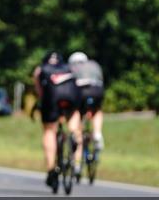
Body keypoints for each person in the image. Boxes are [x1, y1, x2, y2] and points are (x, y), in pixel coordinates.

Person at [33, 51, 82, 191]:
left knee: (49, 131)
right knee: (74, 115)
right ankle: (73, 134)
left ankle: (51, 170)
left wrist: (42, 100)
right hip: (71, 95)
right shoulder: (67, 67)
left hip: (52, 96)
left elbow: (39, 90)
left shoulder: (41, 69)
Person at [69, 52, 106, 150]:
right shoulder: (94, 64)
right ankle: (97, 133)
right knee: (97, 110)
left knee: (75, 111)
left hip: (80, 92)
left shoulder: (71, 67)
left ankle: (74, 134)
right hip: (97, 90)